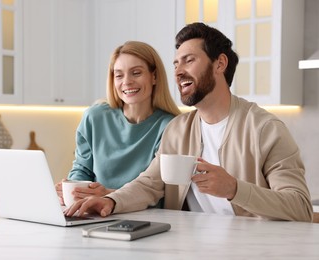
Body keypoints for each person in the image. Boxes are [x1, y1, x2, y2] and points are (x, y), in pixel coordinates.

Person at [65, 22, 313, 222]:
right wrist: (112, 201)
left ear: (220, 63)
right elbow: (149, 184)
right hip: (186, 247)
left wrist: (234, 189)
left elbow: (300, 207)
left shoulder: (264, 129)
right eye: (176, 63)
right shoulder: (178, 129)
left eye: (189, 60)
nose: (178, 71)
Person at [55, 41, 181, 205]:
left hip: (146, 219)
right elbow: (82, 169)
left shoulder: (170, 126)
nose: (127, 82)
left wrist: (107, 195)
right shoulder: (95, 117)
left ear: (154, 76)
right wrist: (74, 190)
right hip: (95, 214)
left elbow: (159, 191)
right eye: (119, 75)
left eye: (136, 73)